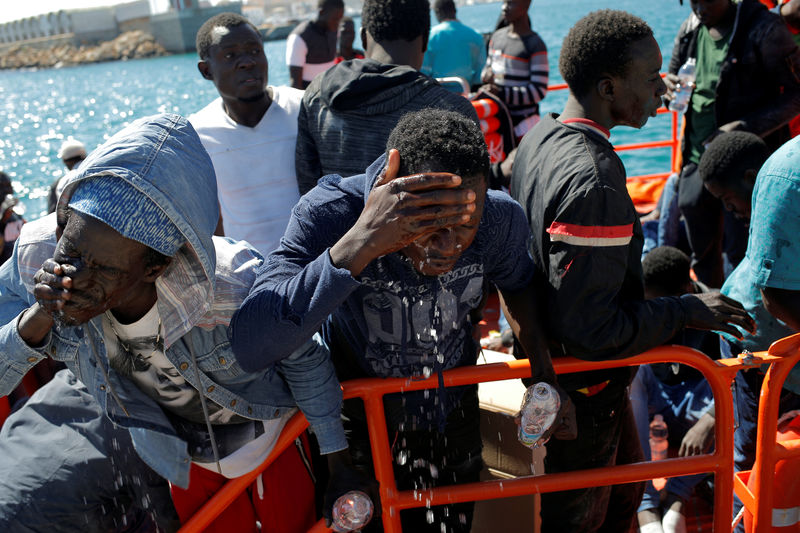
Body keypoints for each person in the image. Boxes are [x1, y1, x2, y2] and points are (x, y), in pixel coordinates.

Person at [0, 114, 361, 533]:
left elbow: (306, 361)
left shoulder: (232, 288)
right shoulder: (34, 260)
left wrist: (339, 462)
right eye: (72, 251)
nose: (79, 277)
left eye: (105, 271)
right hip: (182, 455)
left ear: (156, 267)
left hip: (272, 439)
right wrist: (42, 314)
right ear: (63, 225)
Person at [230, 109, 575, 533]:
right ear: (390, 192)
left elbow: (518, 284)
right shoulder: (333, 214)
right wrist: (361, 240)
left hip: (455, 416)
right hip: (359, 426)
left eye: (465, 224)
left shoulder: (499, 219)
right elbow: (251, 346)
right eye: (429, 222)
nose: (448, 245)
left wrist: (543, 375)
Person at [510, 10, 755, 532]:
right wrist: (686, 309)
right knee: (579, 519)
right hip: (587, 394)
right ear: (607, 87)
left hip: (568, 381)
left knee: (622, 503)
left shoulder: (537, 139)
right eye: (649, 78)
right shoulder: (596, 182)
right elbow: (593, 330)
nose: (661, 87)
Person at [697, 131, 800, 531]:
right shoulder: (783, 180)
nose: (733, 211)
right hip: (758, 338)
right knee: (753, 456)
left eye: (728, 202)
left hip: (780, 330)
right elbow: (776, 295)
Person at [667, 0, 800, 288]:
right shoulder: (691, 28)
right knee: (700, 247)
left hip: (744, 166)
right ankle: (710, 313)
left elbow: (795, 95)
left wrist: (743, 127)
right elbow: (673, 75)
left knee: (748, 249)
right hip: (697, 158)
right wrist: (668, 89)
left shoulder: (763, 28)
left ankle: (749, 321)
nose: (699, 7)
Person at [294, 0, 479, 195]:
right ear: (425, 39)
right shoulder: (454, 111)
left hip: (337, 226)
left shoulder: (316, 95)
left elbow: (308, 191)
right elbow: (472, 203)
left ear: (364, 38)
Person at [190, 12, 304, 256]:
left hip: (317, 263)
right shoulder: (197, 134)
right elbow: (209, 218)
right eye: (230, 55)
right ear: (207, 70)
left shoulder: (304, 109)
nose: (247, 62)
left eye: (254, 51)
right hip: (251, 278)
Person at [632, 246, 720, 533]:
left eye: (664, 303)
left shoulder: (718, 307)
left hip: (699, 401)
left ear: (686, 289)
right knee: (630, 376)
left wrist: (710, 419)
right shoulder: (641, 296)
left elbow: (743, 383)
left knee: (734, 411)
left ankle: (676, 498)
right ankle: (646, 505)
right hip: (657, 395)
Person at [481, 0, 548, 140]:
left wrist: (501, 92)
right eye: (504, 2)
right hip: (497, 119)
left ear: (526, 5)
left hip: (524, 125)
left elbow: (538, 91)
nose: (504, 8)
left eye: (510, 3)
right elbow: (488, 67)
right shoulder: (497, 37)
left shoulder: (535, 44)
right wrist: (485, 75)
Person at [421, 0, 486, 89]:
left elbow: (423, 72)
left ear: (437, 12)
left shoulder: (430, 36)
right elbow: (480, 74)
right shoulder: (476, 36)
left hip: (438, 94)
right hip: (466, 92)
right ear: (455, 11)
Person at [286, 0, 344, 89]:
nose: (338, 24)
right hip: (310, 94)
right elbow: (295, 84)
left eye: (340, 19)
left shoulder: (334, 30)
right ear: (321, 12)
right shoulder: (298, 38)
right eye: (335, 19)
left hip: (331, 90)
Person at [47, 138, 87, 214]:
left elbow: (55, 213)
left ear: (65, 161)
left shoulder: (61, 183)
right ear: (85, 156)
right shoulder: (99, 172)